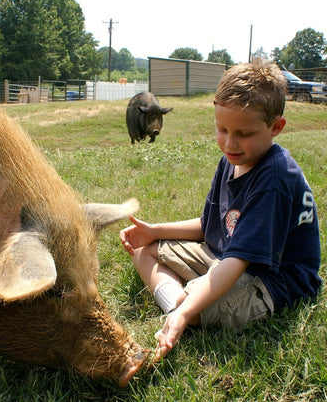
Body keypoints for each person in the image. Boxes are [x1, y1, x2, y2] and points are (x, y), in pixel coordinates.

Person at [120, 59, 321, 361]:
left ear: (276, 127)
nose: (230, 143)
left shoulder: (274, 178)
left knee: (194, 307)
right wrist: (155, 231)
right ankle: (180, 302)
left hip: (269, 279)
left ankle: (181, 309)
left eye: (244, 133)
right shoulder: (232, 159)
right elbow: (209, 224)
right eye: (222, 129)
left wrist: (186, 311)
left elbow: (238, 262)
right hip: (226, 257)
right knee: (144, 249)